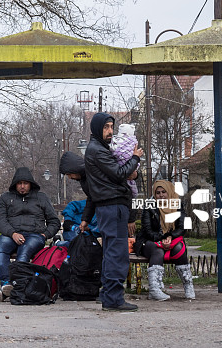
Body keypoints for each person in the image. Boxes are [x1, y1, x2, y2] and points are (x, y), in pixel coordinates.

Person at [82, 112, 142, 312]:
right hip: (113, 206)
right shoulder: (97, 150)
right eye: (106, 127)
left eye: (111, 127)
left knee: (110, 253)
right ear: (97, 128)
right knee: (117, 253)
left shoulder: (99, 149)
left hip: (109, 207)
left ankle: (108, 295)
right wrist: (135, 158)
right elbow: (119, 174)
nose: (110, 132)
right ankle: (114, 299)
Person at [0, 166, 60, 301]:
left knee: (24, 251)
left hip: (35, 235)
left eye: (25, 183)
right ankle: (6, 285)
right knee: (1, 247)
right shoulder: (5, 198)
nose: (22, 186)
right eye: (19, 183)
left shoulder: (41, 198)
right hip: (11, 234)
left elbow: (54, 221)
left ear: (31, 184)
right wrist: (13, 233)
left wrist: (45, 235)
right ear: (15, 184)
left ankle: (18, 286)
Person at [134, 180, 195, 301]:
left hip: (171, 239)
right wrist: (162, 239)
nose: (161, 195)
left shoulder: (177, 204)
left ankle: (188, 286)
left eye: (164, 192)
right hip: (149, 241)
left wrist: (170, 236)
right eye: (158, 193)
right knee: (158, 251)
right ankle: (154, 289)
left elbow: (182, 227)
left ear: (169, 192)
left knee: (179, 249)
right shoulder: (149, 205)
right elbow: (147, 230)